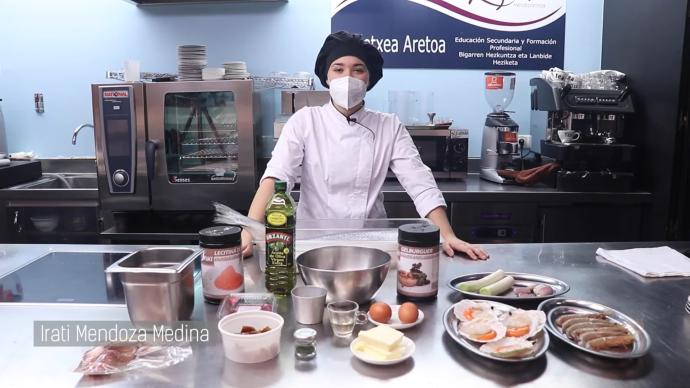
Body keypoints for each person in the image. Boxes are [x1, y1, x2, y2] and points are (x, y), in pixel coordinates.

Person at [242, 31, 488, 261]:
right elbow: (276, 178)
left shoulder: (388, 126)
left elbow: (421, 185)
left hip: (373, 244)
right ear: (326, 77)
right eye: (338, 69)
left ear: (369, 78)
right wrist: (250, 230)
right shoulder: (305, 121)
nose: (347, 77)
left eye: (358, 69)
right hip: (312, 245)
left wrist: (447, 234)